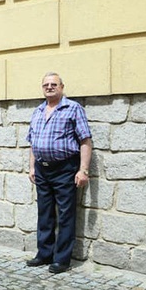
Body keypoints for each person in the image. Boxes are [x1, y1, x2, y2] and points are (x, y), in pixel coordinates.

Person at [26, 72, 92, 274]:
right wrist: (31, 167)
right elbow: (32, 142)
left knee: (65, 214)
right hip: (42, 169)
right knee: (44, 213)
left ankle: (62, 259)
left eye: (54, 84)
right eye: (46, 84)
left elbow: (85, 141)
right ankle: (44, 253)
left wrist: (83, 170)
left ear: (62, 87)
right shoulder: (38, 110)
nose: (49, 87)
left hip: (65, 168)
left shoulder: (73, 109)